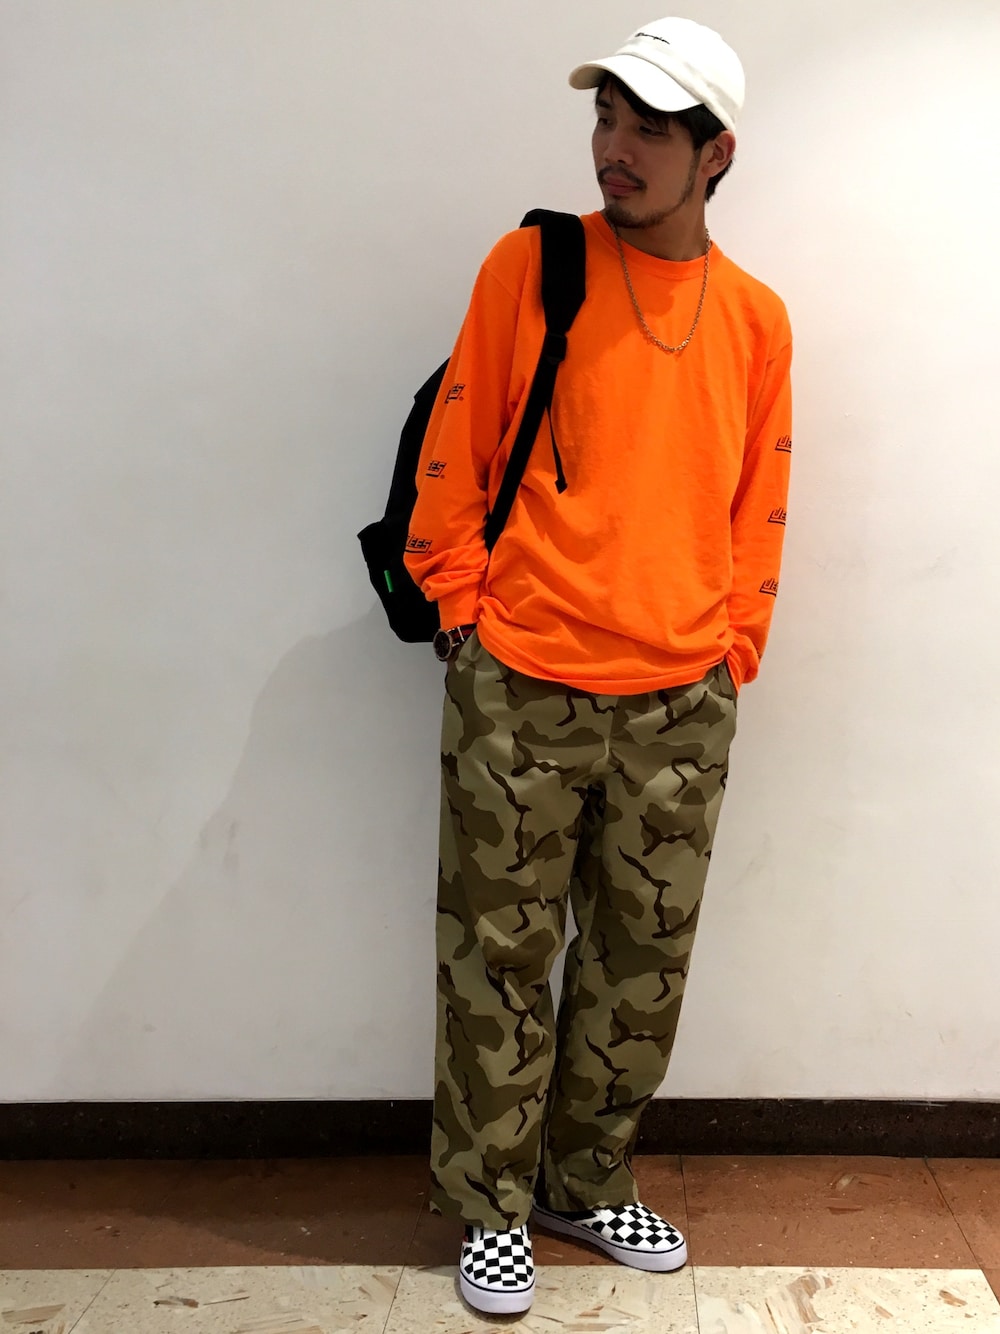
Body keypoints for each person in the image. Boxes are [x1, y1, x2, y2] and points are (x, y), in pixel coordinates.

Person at [404, 15, 792, 1318]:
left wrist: (736, 643)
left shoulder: (757, 320)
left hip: (681, 699)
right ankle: (490, 1205)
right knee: (496, 958)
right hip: (522, 681)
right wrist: (462, 608)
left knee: (641, 964)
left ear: (715, 153)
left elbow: (760, 496)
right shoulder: (534, 265)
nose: (614, 148)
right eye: (605, 118)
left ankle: (583, 1178)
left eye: (649, 129)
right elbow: (457, 445)